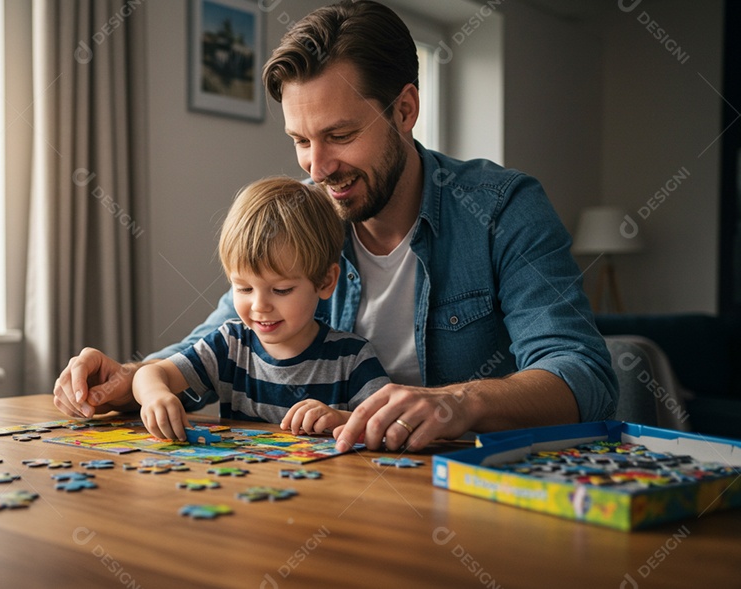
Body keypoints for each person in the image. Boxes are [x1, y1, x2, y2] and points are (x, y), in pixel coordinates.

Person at [54, 0, 618, 453]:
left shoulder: (502, 208)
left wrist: (458, 402)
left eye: (340, 136)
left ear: (405, 110)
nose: (317, 169)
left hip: (470, 494)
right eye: (301, 140)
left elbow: (583, 375)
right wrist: (125, 379)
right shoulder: (304, 216)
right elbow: (221, 338)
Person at [132, 177, 391, 441]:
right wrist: (156, 395)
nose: (259, 306)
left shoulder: (352, 357)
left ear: (325, 282)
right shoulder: (229, 345)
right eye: (244, 288)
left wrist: (342, 419)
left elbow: (388, 424)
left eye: (281, 290)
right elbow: (149, 373)